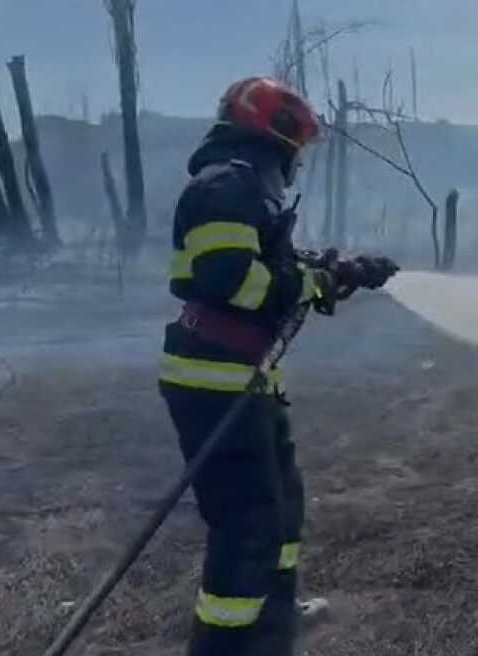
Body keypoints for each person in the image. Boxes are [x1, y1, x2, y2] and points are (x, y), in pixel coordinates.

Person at [158, 76, 397, 656]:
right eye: (296, 148)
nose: (297, 163)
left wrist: (340, 270)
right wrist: (309, 282)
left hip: (244, 375)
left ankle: (274, 619)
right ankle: (222, 646)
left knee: (282, 510)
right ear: (275, 136)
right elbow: (230, 278)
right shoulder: (226, 186)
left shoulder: (243, 188)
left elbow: (273, 262)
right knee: (248, 528)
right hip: (214, 380)